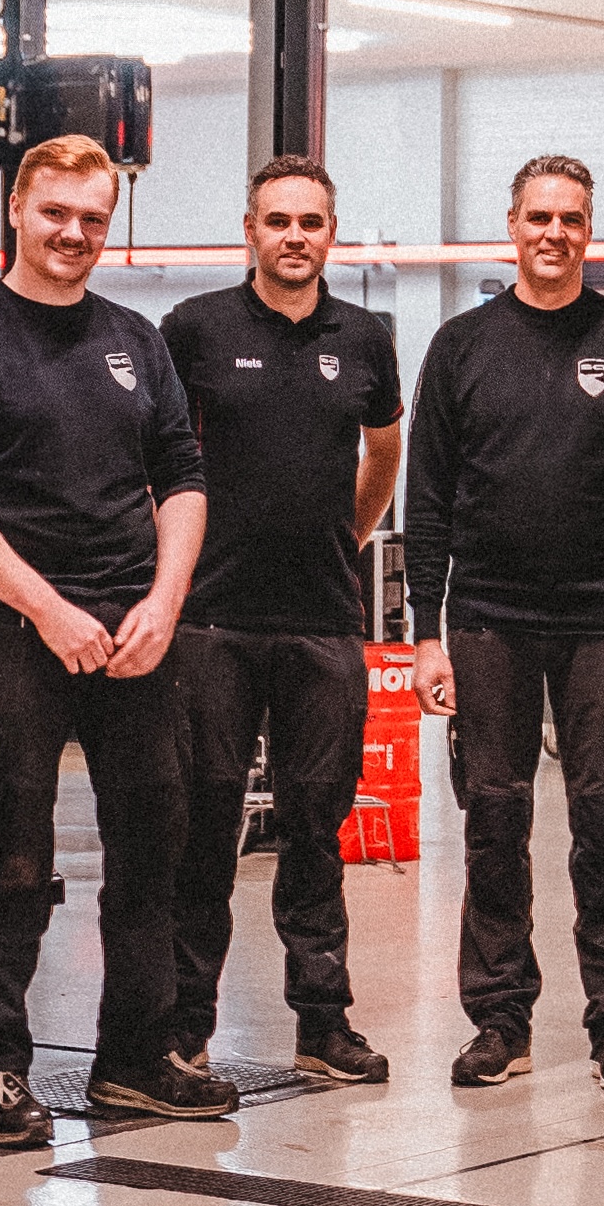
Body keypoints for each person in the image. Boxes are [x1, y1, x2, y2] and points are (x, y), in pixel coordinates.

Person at [0, 133, 233, 1144]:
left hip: (133, 627)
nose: (75, 233)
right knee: (11, 849)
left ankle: (133, 1060)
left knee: (154, 845)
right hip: (13, 623)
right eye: (57, 212)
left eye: (94, 217)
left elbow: (182, 476)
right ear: (16, 208)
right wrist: (46, 606)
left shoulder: (135, 339)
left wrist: (164, 601)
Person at [409, 154, 604, 1095]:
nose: (554, 233)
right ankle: (500, 1018)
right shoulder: (461, 344)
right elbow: (428, 497)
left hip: (600, 621)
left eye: (571, 218)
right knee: (494, 815)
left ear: (589, 230)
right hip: (487, 620)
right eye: (539, 217)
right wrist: (426, 630)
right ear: (512, 226)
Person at [157, 155, 403, 1088]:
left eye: (311, 222)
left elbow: (384, 447)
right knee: (204, 828)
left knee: (316, 828)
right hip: (212, 622)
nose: (294, 237)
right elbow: (159, 456)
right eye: (278, 221)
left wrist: (349, 536)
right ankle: (184, 1025)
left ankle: (323, 1023)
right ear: (250, 230)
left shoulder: (366, 336)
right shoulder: (196, 329)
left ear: (330, 233)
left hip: (323, 621)